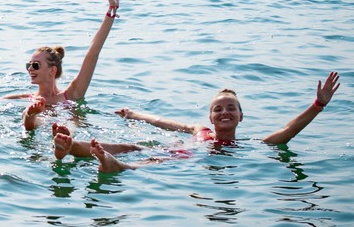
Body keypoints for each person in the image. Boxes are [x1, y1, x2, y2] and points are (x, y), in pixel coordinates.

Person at [54, 71, 341, 173]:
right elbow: (164, 122)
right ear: (210, 117)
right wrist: (134, 115)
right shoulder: (201, 130)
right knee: (132, 146)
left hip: (185, 159)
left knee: (151, 160)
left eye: (231, 108)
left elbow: (288, 131)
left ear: (241, 116)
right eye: (218, 109)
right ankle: (73, 146)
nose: (225, 112)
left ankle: (115, 165)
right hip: (179, 151)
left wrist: (317, 106)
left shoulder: (250, 145)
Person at [0, 0, 121, 131]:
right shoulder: (24, 99)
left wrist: (111, 10)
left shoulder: (72, 94)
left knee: (71, 121)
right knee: (38, 118)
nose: (30, 69)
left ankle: (61, 133)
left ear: (52, 70)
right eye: (29, 65)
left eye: (35, 65)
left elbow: (92, 53)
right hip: (40, 125)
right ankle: (30, 118)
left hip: (66, 128)